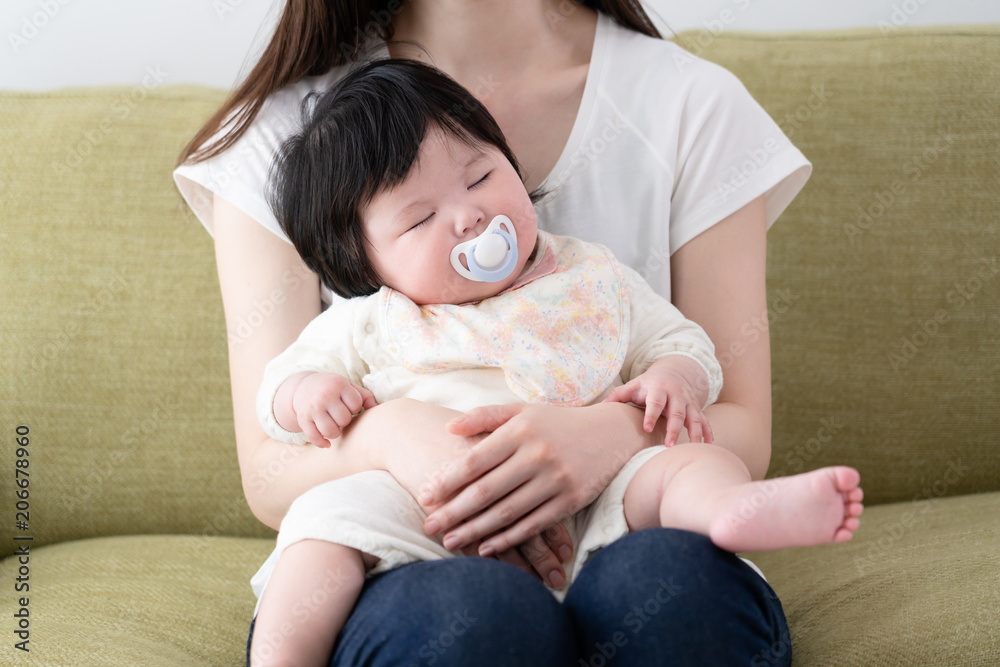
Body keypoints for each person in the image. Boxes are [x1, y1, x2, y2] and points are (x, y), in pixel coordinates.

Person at [173, 2, 817, 664]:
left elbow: (720, 399)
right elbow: (273, 463)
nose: (470, 216)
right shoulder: (294, 156)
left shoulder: (612, 242)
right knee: (456, 607)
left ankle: (743, 512)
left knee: (672, 585)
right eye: (419, 218)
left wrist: (610, 433)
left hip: (618, 511)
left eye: (482, 177)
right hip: (413, 532)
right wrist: (391, 434)